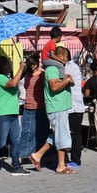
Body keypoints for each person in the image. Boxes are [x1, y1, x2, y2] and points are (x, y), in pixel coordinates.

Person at [28, 46, 76, 174]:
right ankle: (61, 166)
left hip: (60, 106)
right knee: (62, 136)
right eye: (66, 57)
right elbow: (54, 87)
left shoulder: (57, 69)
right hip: (57, 106)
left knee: (56, 135)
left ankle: (37, 155)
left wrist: (68, 81)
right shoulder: (52, 69)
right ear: (60, 57)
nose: (67, 60)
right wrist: (66, 80)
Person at [18, 53, 50, 160]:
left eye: (31, 64)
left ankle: (40, 155)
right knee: (27, 133)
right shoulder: (27, 75)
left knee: (41, 132)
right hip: (29, 106)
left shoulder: (42, 75)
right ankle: (22, 155)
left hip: (40, 107)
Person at [65, 48, 85, 167]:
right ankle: (74, 157)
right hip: (75, 105)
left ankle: (76, 159)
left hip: (74, 106)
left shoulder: (68, 67)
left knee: (75, 133)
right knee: (74, 133)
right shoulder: (74, 67)